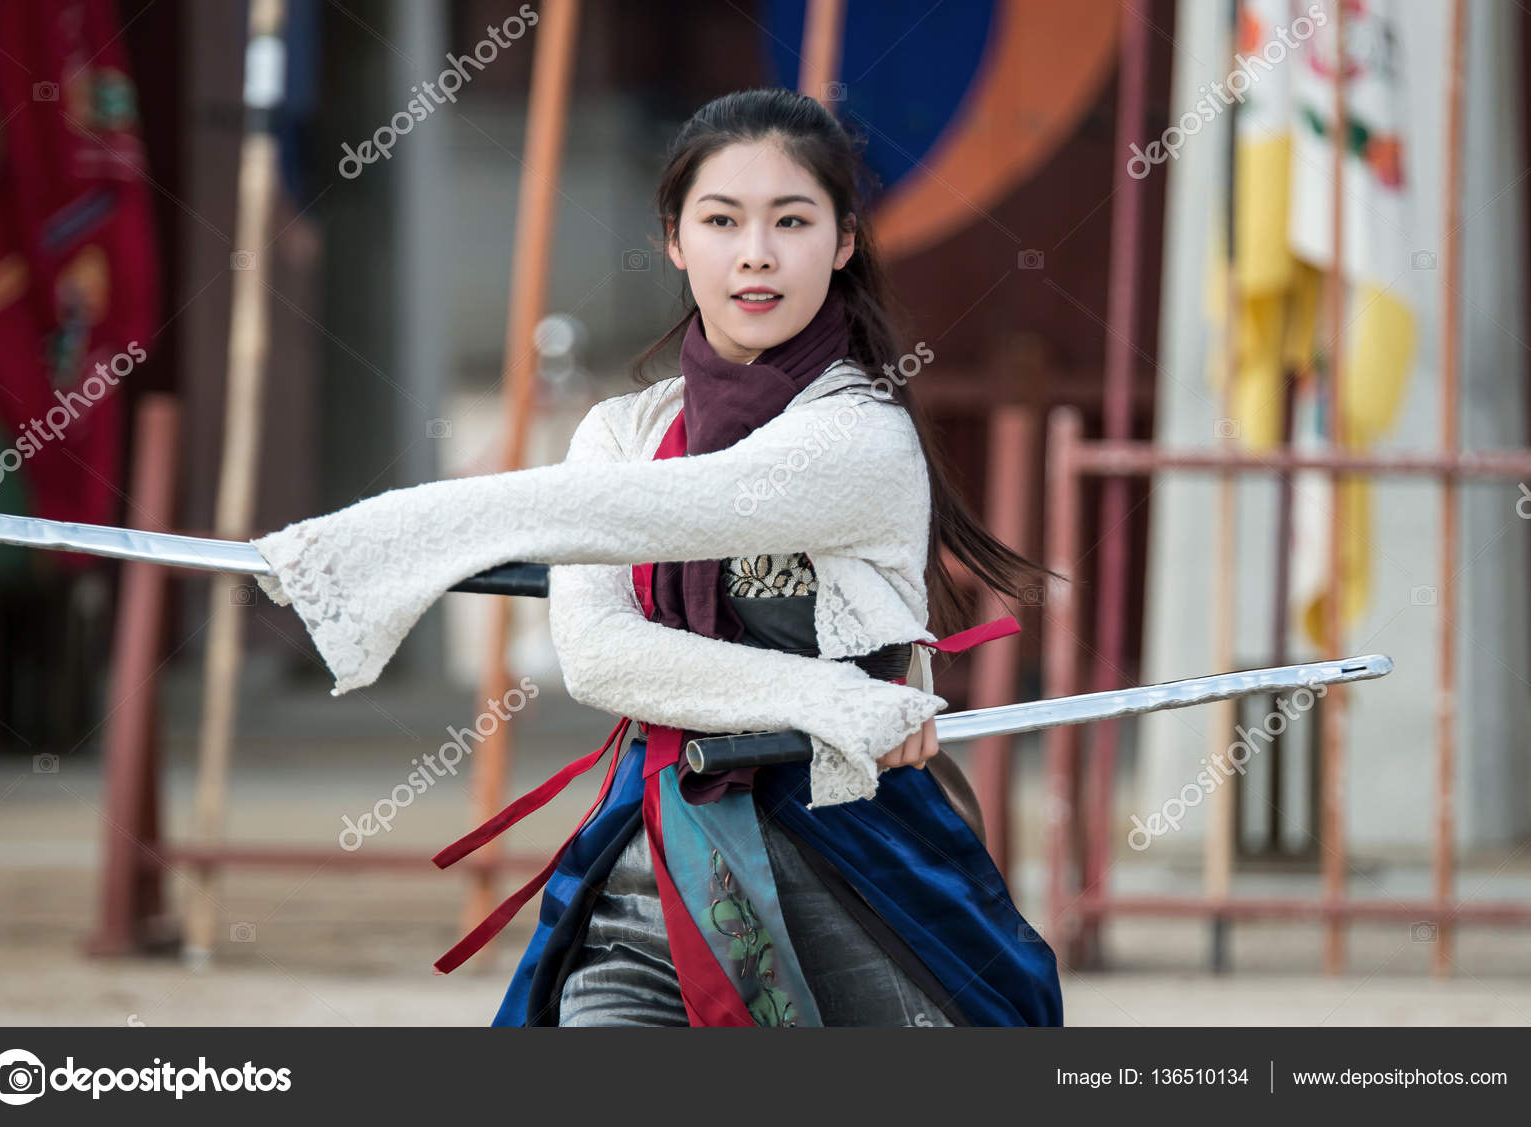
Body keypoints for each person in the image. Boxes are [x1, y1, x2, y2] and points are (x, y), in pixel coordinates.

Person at [252, 88, 1063, 1027]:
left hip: (857, 868)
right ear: (676, 239)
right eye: (722, 220)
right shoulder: (619, 431)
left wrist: (375, 544)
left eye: (791, 220)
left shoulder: (862, 435)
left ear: (843, 242)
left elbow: (656, 513)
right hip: (661, 857)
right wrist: (832, 697)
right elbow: (601, 655)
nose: (755, 252)